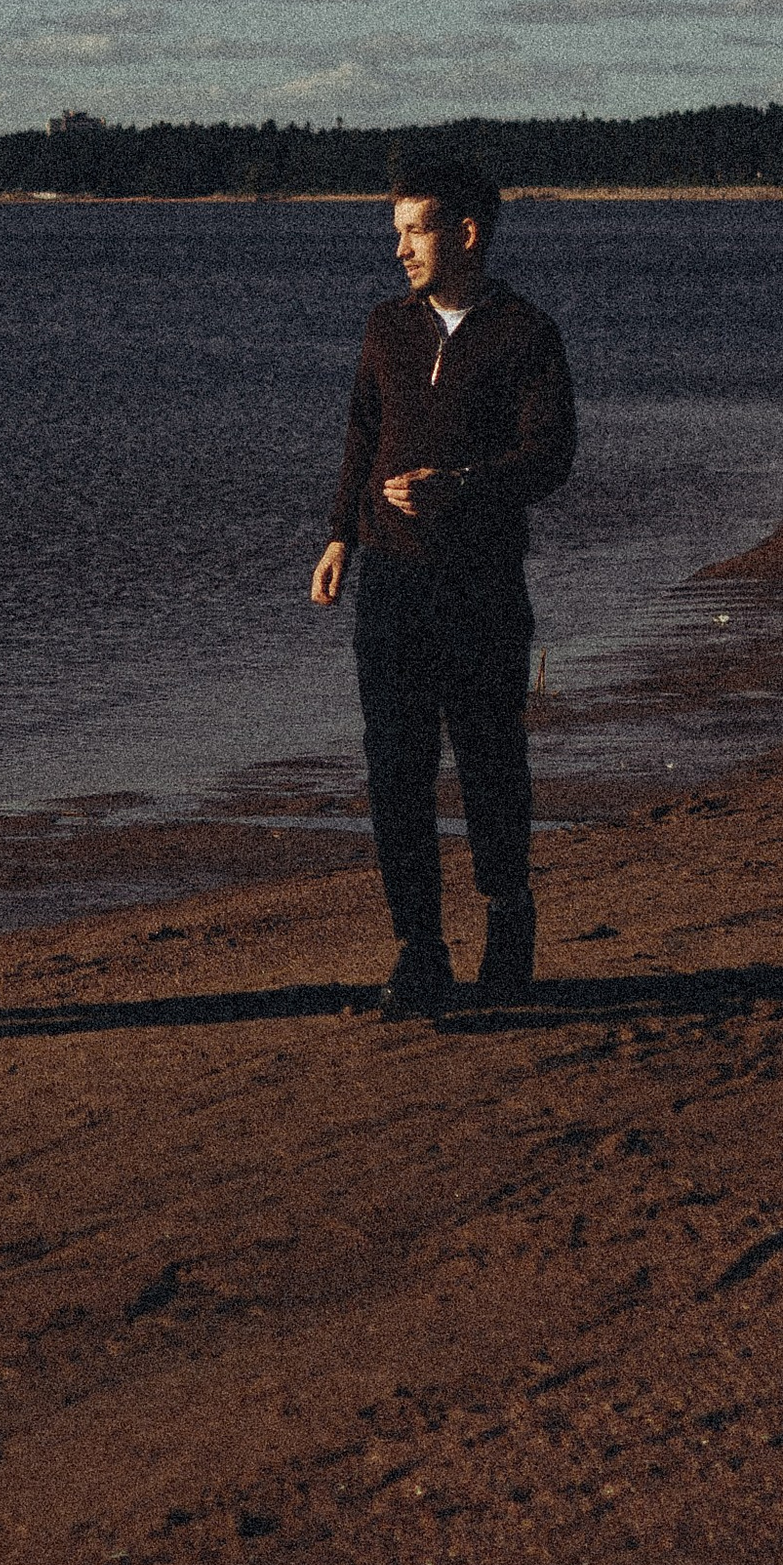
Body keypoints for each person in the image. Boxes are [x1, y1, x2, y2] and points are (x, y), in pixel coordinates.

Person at [310, 173, 576, 1017]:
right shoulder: (386, 327)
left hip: (482, 584)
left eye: (414, 232)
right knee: (395, 768)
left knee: (490, 758)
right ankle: (419, 951)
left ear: (466, 233)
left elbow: (551, 460)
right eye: (395, 232)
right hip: (389, 580)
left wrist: (459, 486)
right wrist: (340, 537)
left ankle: (508, 917)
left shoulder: (527, 334)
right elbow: (362, 429)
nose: (399, 250)